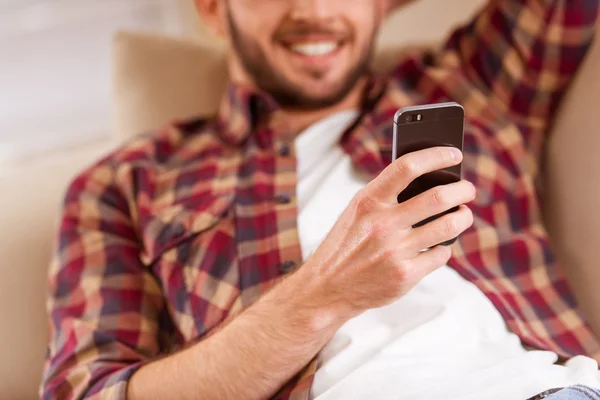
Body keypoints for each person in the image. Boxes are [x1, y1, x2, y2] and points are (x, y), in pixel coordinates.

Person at [40, 0, 600, 399]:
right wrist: (322, 296)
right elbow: (87, 392)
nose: (314, 9)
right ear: (212, 9)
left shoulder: (472, 86)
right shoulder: (127, 182)